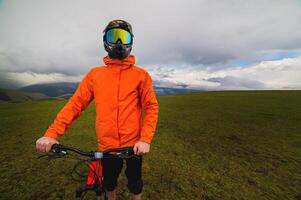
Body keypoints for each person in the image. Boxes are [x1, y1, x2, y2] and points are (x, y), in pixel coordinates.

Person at [36, 19, 159, 200]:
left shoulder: (141, 76)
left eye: (123, 37)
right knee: (109, 182)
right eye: (114, 36)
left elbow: (151, 107)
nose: (118, 43)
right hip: (107, 145)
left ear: (131, 42)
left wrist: (145, 139)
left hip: (134, 146)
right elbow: (75, 104)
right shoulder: (95, 75)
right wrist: (51, 134)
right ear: (105, 41)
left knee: (135, 181)